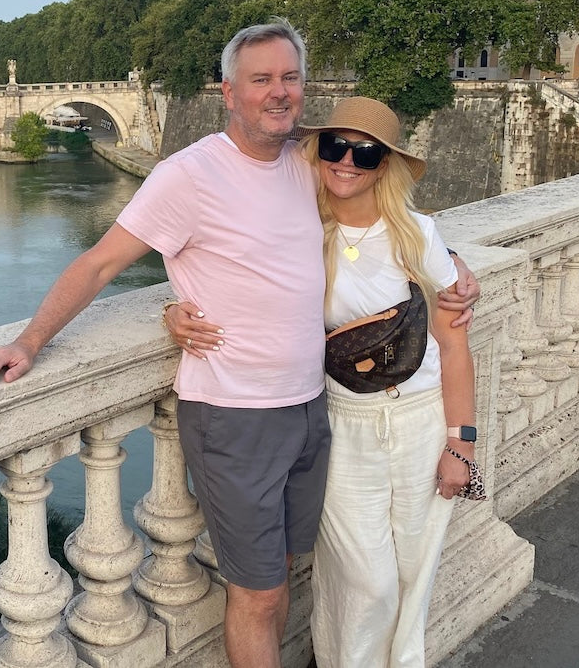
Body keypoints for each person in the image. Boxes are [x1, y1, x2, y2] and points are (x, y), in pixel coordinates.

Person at [0, 20, 477, 668]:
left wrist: (449, 262)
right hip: (233, 418)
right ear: (228, 92)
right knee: (257, 595)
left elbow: (374, 221)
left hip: (311, 412)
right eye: (260, 79)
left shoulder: (309, 163)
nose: (278, 92)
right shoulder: (188, 175)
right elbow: (98, 263)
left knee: (283, 576)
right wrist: (30, 340)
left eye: (289, 77)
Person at [166, 96, 477, 668]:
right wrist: (173, 308)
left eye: (367, 153)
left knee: (416, 568)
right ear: (318, 152)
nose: (348, 163)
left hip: (421, 417)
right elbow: (229, 271)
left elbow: (454, 343)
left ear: (385, 165)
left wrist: (462, 441)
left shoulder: (419, 236)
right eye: (337, 147)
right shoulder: (301, 230)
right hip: (343, 420)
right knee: (367, 579)